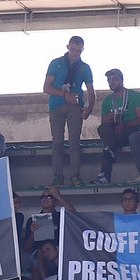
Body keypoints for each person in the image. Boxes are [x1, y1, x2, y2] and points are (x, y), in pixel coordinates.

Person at [44, 35, 95, 186]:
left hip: (75, 105)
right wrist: (65, 95)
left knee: (74, 141)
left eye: (79, 51)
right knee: (57, 142)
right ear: (68, 47)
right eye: (73, 50)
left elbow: (91, 90)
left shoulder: (85, 67)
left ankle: (75, 176)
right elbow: (46, 87)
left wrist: (89, 108)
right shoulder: (56, 63)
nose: (75, 54)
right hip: (56, 105)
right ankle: (58, 176)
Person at [94, 69, 140, 186]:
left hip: (131, 130)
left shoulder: (134, 95)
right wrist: (109, 118)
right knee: (103, 130)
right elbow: (103, 124)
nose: (111, 82)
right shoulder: (107, 100)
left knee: (108, 146)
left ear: (122, 80)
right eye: (109, 80)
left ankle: (104, 175)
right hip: (114, 131)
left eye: (115, 79)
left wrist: (124, 124)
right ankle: (109, 152)